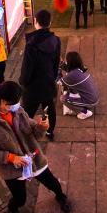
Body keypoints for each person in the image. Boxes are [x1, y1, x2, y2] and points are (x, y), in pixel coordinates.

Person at [0, 81, 72, 213]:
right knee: (20, 199)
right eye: (13, 103)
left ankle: (60, 197)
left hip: (34, 159)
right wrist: (10, 157)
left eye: (17, 102)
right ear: (2, 101)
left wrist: (42, 127)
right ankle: (12, 209)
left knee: (53, 183)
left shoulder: (18, 111)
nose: (17, 105)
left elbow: (33, 131)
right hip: (12, 169)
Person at [20, 9, 62, 140]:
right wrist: (52, 78)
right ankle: (50, 132)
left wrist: (23, 82)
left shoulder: (31, 44)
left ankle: (25, 135)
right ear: (50, 22)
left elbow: (27, 67)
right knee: (49, 109)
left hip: (32, 86)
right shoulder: (56, 40)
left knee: (27, 113)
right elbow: (56, 63)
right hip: (48, 82)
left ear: (35, 22)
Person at [59, 51, 98, 120]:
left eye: (67, 61)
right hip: (93, 97)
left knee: (63, 99)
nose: (66, 62)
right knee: (70, 89)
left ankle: (85, 112)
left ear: (70, 63)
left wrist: (57, 71)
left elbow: (59, 82)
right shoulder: (81, 68)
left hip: (91, 101)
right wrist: (60, 63)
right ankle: (83, 105)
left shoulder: (72, 75)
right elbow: (68, 69)